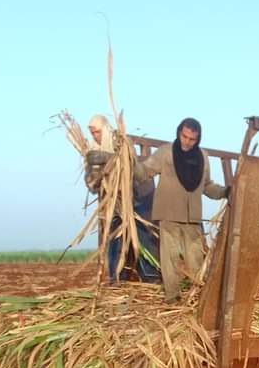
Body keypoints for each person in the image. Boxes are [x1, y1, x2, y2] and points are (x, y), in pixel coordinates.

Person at [133, 117, 228, 303]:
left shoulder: (203, 157)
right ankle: (172, 298)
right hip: (169, 215)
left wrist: (225, 192)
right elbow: (144, 172)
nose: (187, 142)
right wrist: (130, 162)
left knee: (195, 259)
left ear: (198, 139)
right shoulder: (165, 152)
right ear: (179, 133)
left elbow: (207, 186)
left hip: (192, 217)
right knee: (170, 259)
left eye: (192, 139)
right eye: (184, 136)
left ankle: (198, 297)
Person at [84, 114, 159, 283]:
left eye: (97, 132)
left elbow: (132, 165)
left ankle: (150, 276)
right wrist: (95, 172)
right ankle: (116, 277)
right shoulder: (91, 151)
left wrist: (110, 160)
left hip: (135, 197)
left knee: (143, 235)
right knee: (114, 239)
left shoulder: (120, 140)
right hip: (113, 204)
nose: (95, 136)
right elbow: (92, 185)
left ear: (104, 128)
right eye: (92, 133)